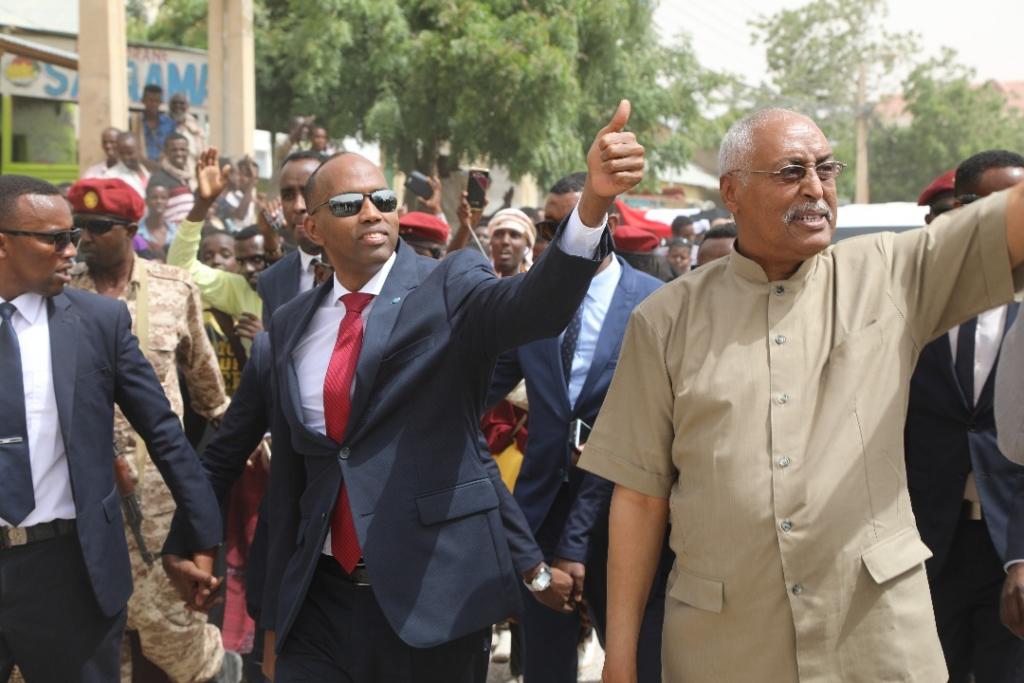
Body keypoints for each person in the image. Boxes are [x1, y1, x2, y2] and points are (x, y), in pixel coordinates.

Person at [164, 100, 643, 683]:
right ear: (311, 228)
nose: (372, 212)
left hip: (431, 600)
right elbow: (275, 473)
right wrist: (215, 561)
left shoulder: (451, 283)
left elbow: (535, 307)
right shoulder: (288, 326)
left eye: (383, 199)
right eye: (349, 205)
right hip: (317, 600)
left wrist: (592, 205)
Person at [579, 108, 1024, 682]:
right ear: (731, 192)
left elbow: (1009, 222)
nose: (815, 188)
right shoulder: (665, 320)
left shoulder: (891, 273)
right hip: (726, 646)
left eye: (826, 169)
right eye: (791, 171)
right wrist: (619, 659)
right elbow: (640, 497)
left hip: (874, 641)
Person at [0, 175, 222, 682]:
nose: (71, 249)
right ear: (3, 244)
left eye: (74, 235)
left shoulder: (98, 322)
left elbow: (165, 434)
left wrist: (201, 537)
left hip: (66, 570)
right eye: (55, 238)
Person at [487, 175, 670, 683]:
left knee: (636, 663)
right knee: (545, 666)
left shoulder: (656, 301)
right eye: (551, 226)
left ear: (609, 222)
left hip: (625, 513)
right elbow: (475, 392)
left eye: (575, 222)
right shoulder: (528, 302)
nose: (561, 237)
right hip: (542, 516)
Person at [905, 150, 1024, 683]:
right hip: (925, 545)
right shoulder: (910, 302)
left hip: (1012, 548)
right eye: (999, 204)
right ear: (962, 208)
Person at [256, 150, 327, 323]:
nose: (298, 206)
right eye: (288, 196)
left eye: (308, 192)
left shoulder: (364, 267)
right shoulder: (271, 280)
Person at [149, 133, 197, 227]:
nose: (179, 153)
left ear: (188, 151)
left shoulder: (193, 176)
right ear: (166, 152)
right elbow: (154, 212)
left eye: (182, 150)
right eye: (174, 150)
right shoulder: (158, 179)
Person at [101, 132, 151, 200]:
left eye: (130, 153)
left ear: (139, 149)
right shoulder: (111, 176)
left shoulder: (149, 170)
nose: (126, 157)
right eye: (121, 153)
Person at [138, 84, 177, 165]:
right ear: (143, 101)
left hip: (164, 166)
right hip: (141, 166)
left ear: (160, 102)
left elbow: (172, 147)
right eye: (150, 100)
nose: (153, 104)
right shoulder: (135, 122)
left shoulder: (169, 124)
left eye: (156, 101)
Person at [169, 92, 206, 172]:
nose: (178, 106)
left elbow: (202, 156)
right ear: (169, 106)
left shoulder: (196, 131)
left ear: (187, 106)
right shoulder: (163, 128)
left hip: (191, 174)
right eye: (174, 103)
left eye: (181, 103)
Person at [137, 183, 175, 259]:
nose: (159, 201)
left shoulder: (175, 232)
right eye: (154, 197)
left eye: (163, 198)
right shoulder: (137, 232)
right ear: (146, 201)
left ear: (168, 201)